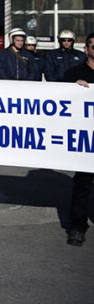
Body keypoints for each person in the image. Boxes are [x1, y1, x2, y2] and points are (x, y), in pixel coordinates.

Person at [62, 32, 94, 246]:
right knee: (82, 184)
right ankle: (77, 226)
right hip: (85, 140)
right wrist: (73, 88)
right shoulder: (74, 73)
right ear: (87, 50)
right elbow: (58, 98)